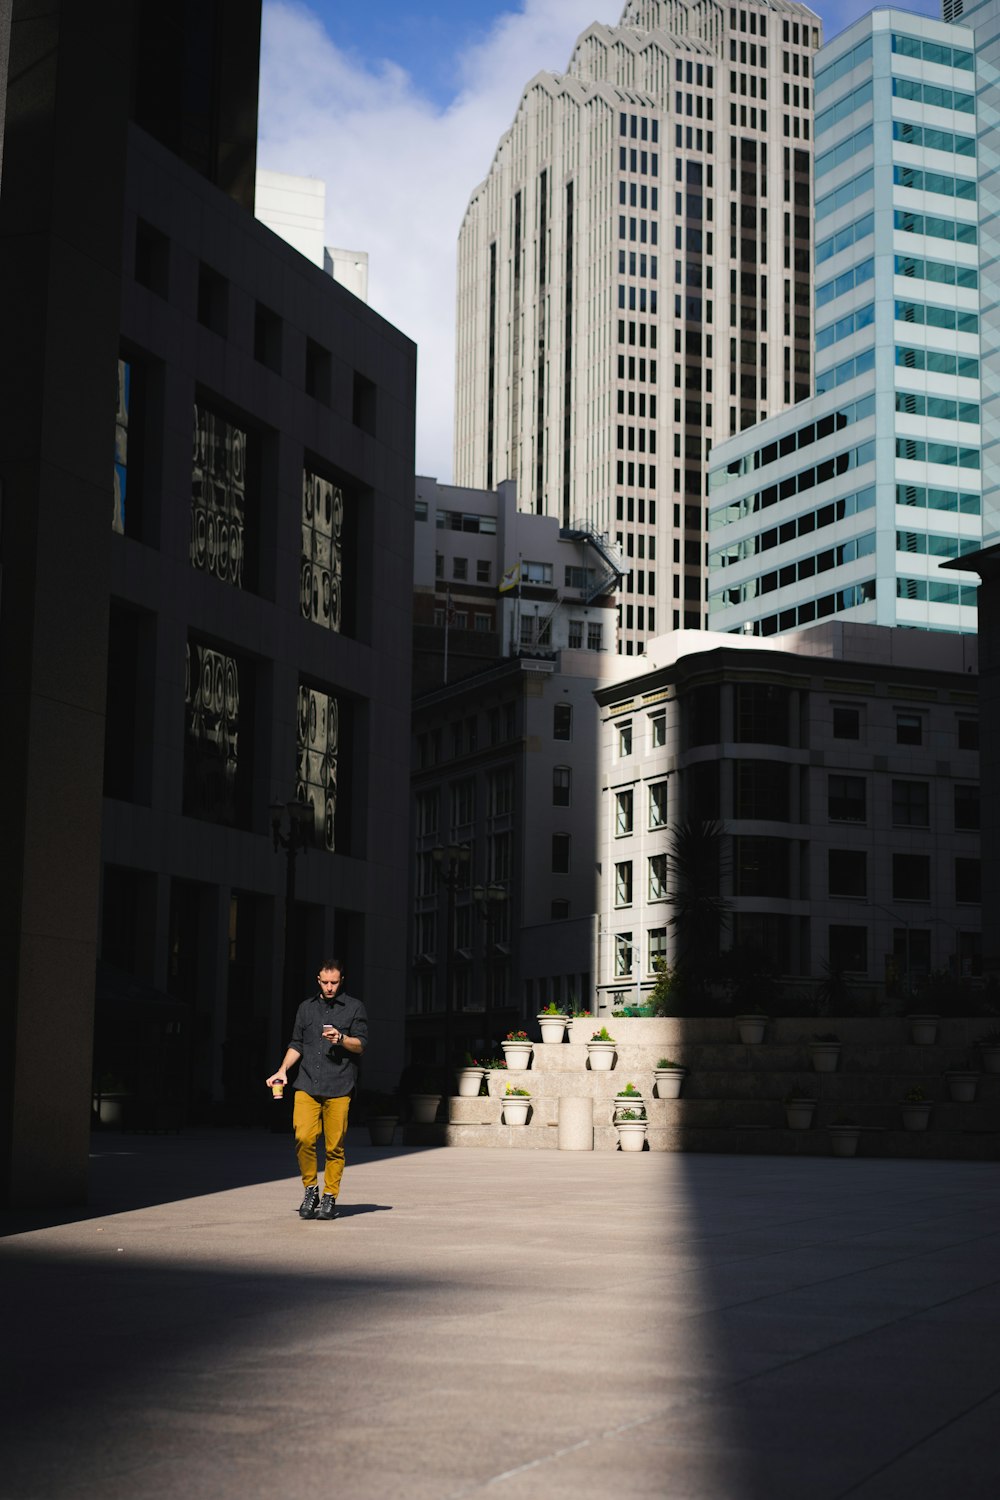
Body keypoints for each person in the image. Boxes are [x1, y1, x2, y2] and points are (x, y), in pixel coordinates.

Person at [266, 960, 368, 1220]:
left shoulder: (354, 1007)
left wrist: (342, 1039)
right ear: (318, 980)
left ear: (341, 980)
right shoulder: (306, 1008)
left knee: (334, 1147)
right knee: (303, 1138)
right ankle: (311, 1189)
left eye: (334, 982)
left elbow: (361, 1045)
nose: (330, 987)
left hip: (340, 1085)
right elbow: (297, 1044)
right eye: (325, 982)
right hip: (307, 1084)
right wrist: (282, 1070)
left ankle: (329, 1197)